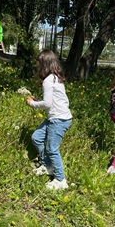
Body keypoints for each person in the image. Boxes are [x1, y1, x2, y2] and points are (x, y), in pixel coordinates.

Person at [27, 50, 72, 190]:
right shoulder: (55, 78)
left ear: (44, 64)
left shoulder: (48, 80)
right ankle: (48, 165)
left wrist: (32, 104)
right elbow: (51, 100)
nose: (38, 67)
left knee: (52, 148)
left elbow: (47, 104)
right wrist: (37, 100)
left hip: (59, 119)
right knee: (36, 137)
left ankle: (60, 180)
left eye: (39, 64)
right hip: (57, 117)